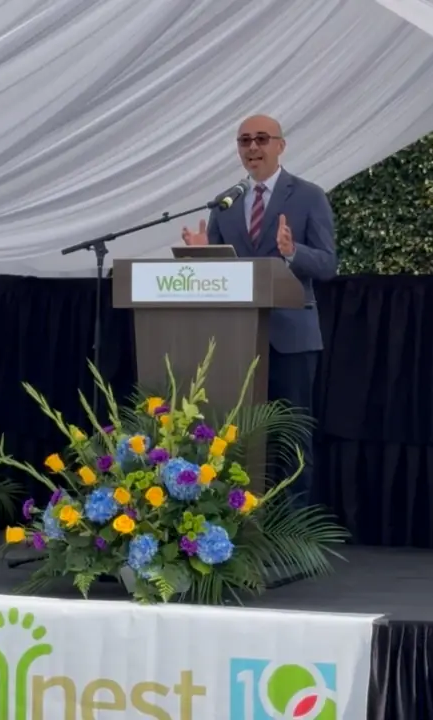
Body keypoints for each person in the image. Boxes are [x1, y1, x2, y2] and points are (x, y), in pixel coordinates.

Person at [180, 115, 337, 502]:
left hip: (291, 338)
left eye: (261, 139)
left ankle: (293, 533)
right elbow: (220, 278)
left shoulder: (308, 196)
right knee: (236, 433)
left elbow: (328, 264)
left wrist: (292, 251)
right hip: (236, 341)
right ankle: (239, 525)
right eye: (245, 141)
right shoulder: (226, 203)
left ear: (280, 145)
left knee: (292, 437)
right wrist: (203, 255)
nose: (253, 147)